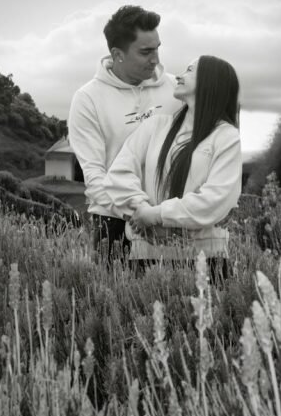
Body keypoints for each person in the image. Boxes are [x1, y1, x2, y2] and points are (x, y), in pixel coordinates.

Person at [102, 55, 242, 280]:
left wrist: (157, 215)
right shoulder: (155, 126)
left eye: (189, 70)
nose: (179, 75)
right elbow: (118, 174)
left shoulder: (226, 136)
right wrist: (141, 211)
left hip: (206, 261)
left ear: (210, 81)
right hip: (145, 256)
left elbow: (217, 199)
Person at [68, 5, 181, 266]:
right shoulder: (87, 99)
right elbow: (95, 176)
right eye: (145, 52)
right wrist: (139, 214)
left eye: (157, 48)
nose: (155, 59)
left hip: (171, 221)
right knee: (117, 304)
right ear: (117, 54)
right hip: (114, 224)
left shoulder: (176, 88)